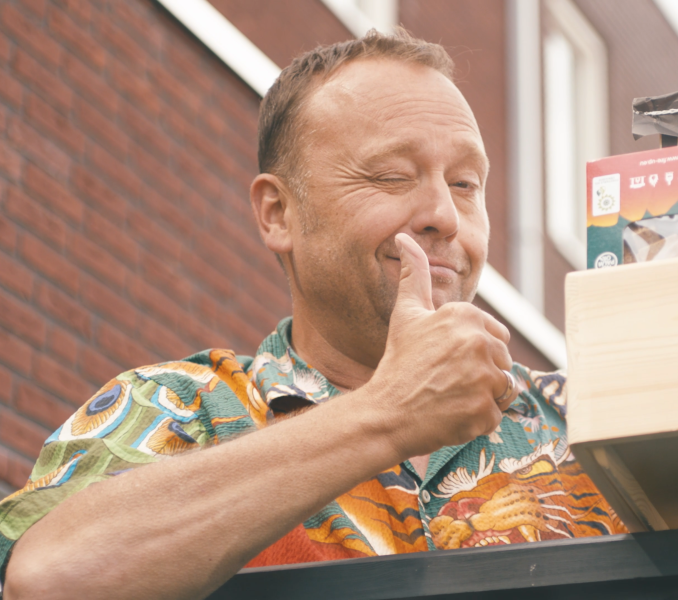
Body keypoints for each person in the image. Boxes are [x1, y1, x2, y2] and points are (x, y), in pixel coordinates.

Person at [0, 29, 626, 600]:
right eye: (390, 175)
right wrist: (391, 412)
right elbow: (49, 579)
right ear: (278, 213)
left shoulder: (597, 425)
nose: (444, 213)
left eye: (465, 184)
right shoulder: (178, 409)